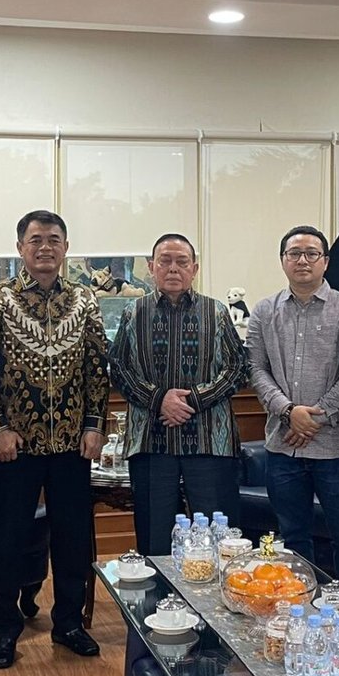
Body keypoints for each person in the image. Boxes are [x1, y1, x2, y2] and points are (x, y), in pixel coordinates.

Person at [0, 210, 111, 670]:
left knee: (73, 538)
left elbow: (97, 367)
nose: (45, 247)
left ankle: (68, 623)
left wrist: (94, 425)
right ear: (20, 248)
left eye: (53, 239)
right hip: (15, 445)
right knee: (7, 540)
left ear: (66, 247)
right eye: (35, 240)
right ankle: (4, 630)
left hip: (73, 444)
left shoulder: (85, 300)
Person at [110, 233, 249, 555]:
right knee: (155, 539)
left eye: (182, 262)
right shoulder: (133, 312)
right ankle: (159, 590)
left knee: (218, 537)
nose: (173, 268)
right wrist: (159, 400)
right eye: (165, 261)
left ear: (194, 268)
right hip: (151, 441)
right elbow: (119, 368)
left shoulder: (216, 312)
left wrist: (192, 401)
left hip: (210, 441)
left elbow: (238, 368)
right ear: (151, 267)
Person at [247, 225, 339, 596]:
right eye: (294, 253)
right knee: (293, 535)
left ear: (325, 261)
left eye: (311, 253)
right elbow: (256, 369)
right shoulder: (263, 311)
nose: (302, 260)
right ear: (283, 261)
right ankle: (301, 605)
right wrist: (288, 411)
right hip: (283, 446)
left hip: (336, 446)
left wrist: (315, 416)